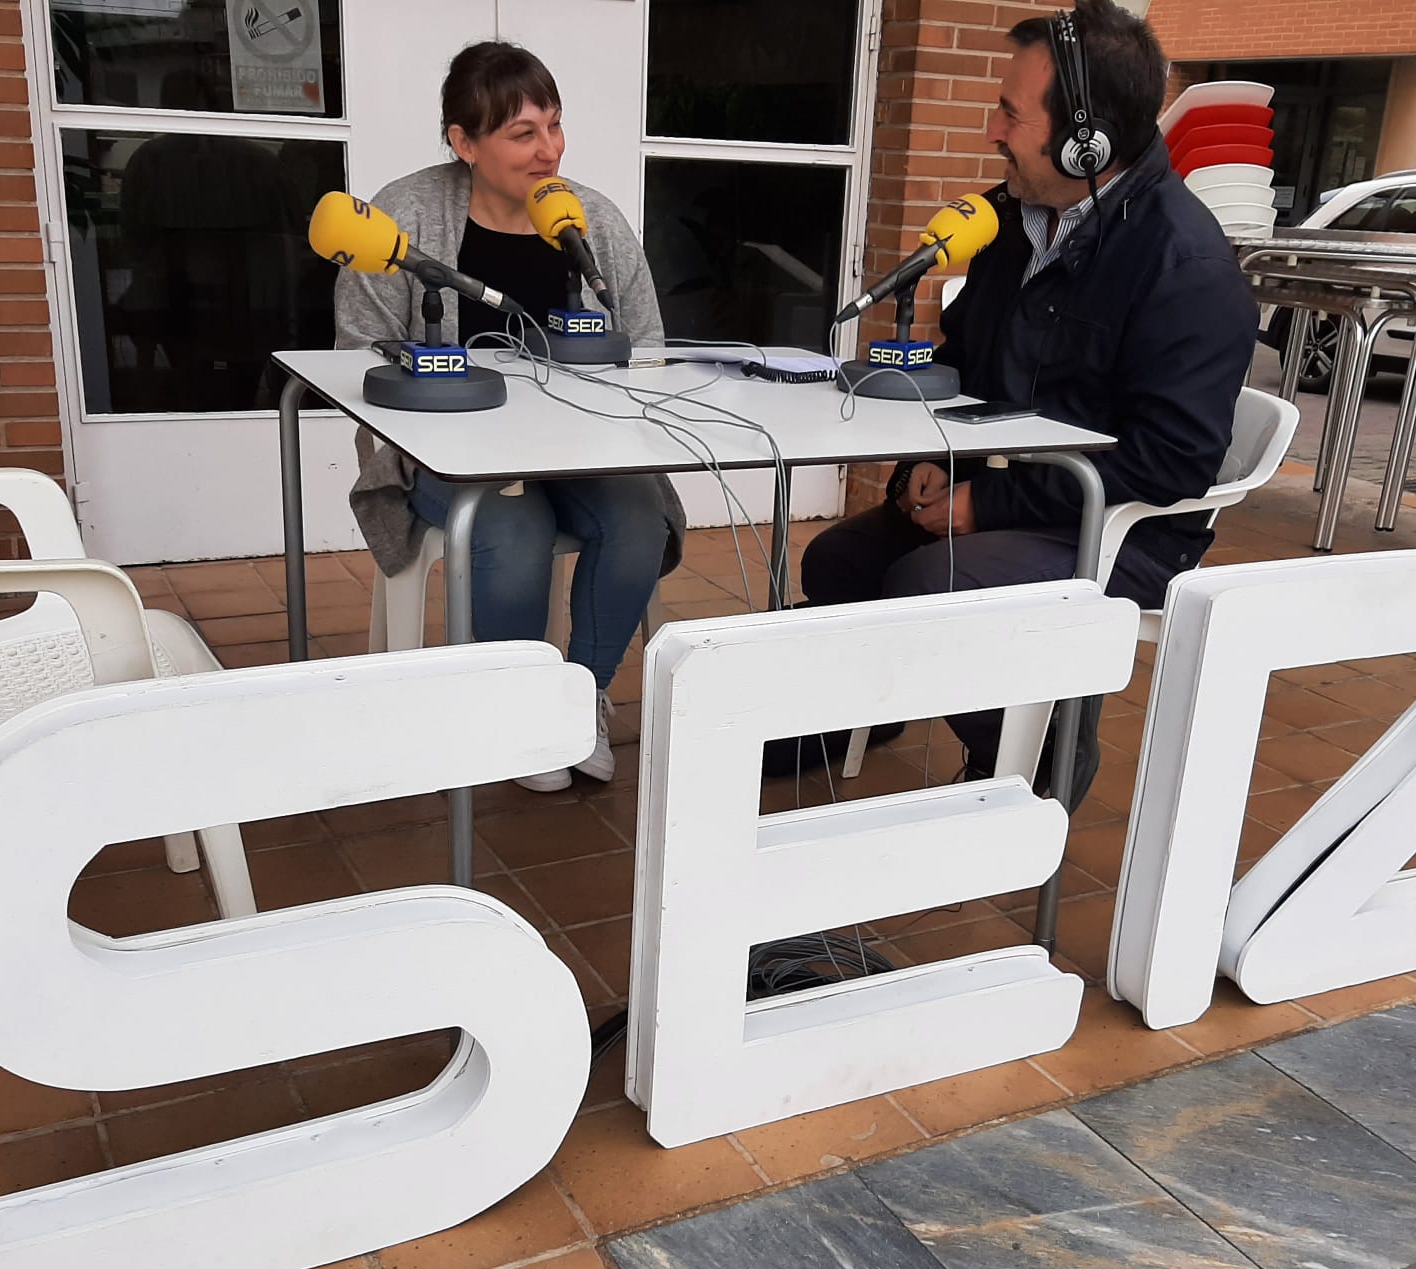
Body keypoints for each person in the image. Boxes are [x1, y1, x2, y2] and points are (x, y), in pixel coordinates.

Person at [792, 0, 1257, 802]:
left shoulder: (1185, 265)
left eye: (1011, 113)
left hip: (1122, 525)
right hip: (1024, 492)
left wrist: (988, 500)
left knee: (929, 583)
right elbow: (965, 366)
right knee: (837, 562)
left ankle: (1036, 756)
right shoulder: (1011, 223)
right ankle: (866, 712)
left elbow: (1174, 460)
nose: (991, 132)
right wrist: (928, 469)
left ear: (1088, 139)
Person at [335, 41, 682, 791]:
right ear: (463, 143)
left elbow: (648, 342)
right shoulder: (405, 214)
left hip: (581, 447)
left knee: (638, 517)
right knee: (513, 526)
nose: (548, 150)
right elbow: (354, 356)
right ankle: (517, 712)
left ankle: (578, 697)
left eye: (554, 127)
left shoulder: (590, 219)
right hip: (447, 451)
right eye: (523, 134)